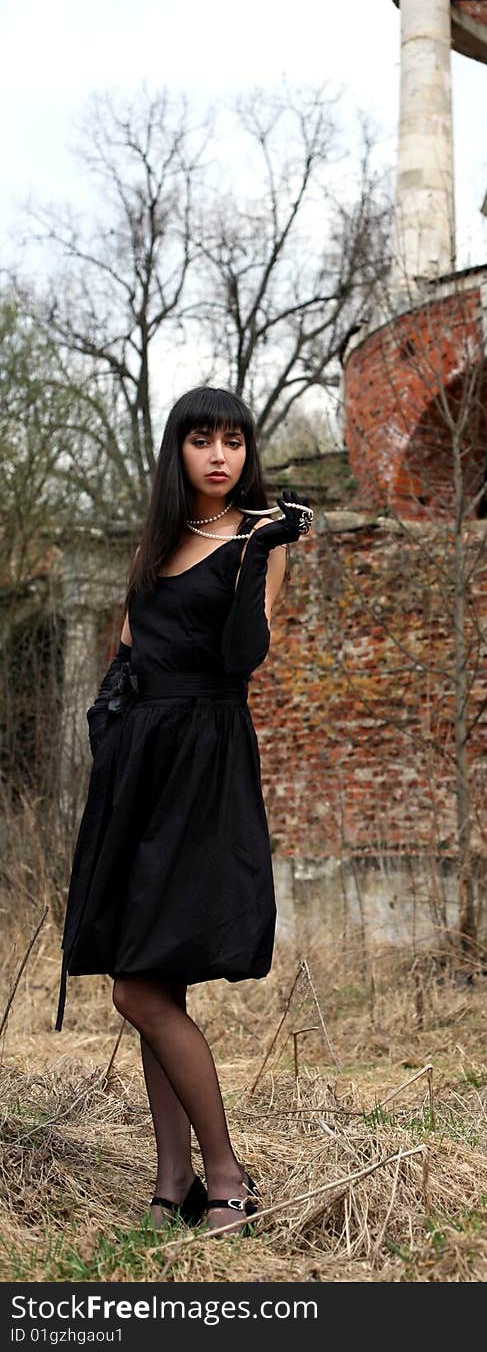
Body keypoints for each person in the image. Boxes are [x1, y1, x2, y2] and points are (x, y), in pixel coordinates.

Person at [53, 386, 312, 1236]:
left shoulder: (257, 540)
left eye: (233, 441)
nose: (219, 455)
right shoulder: (151, 544)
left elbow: (244, 656)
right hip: (139, 767)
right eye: (201, 439)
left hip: (206, 762)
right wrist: (110, 732)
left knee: (138, 989)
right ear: (178, 451)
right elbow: (125, 657)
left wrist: (260, 546)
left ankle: (227, 1174)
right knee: (146, 973)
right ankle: (173, 1183)